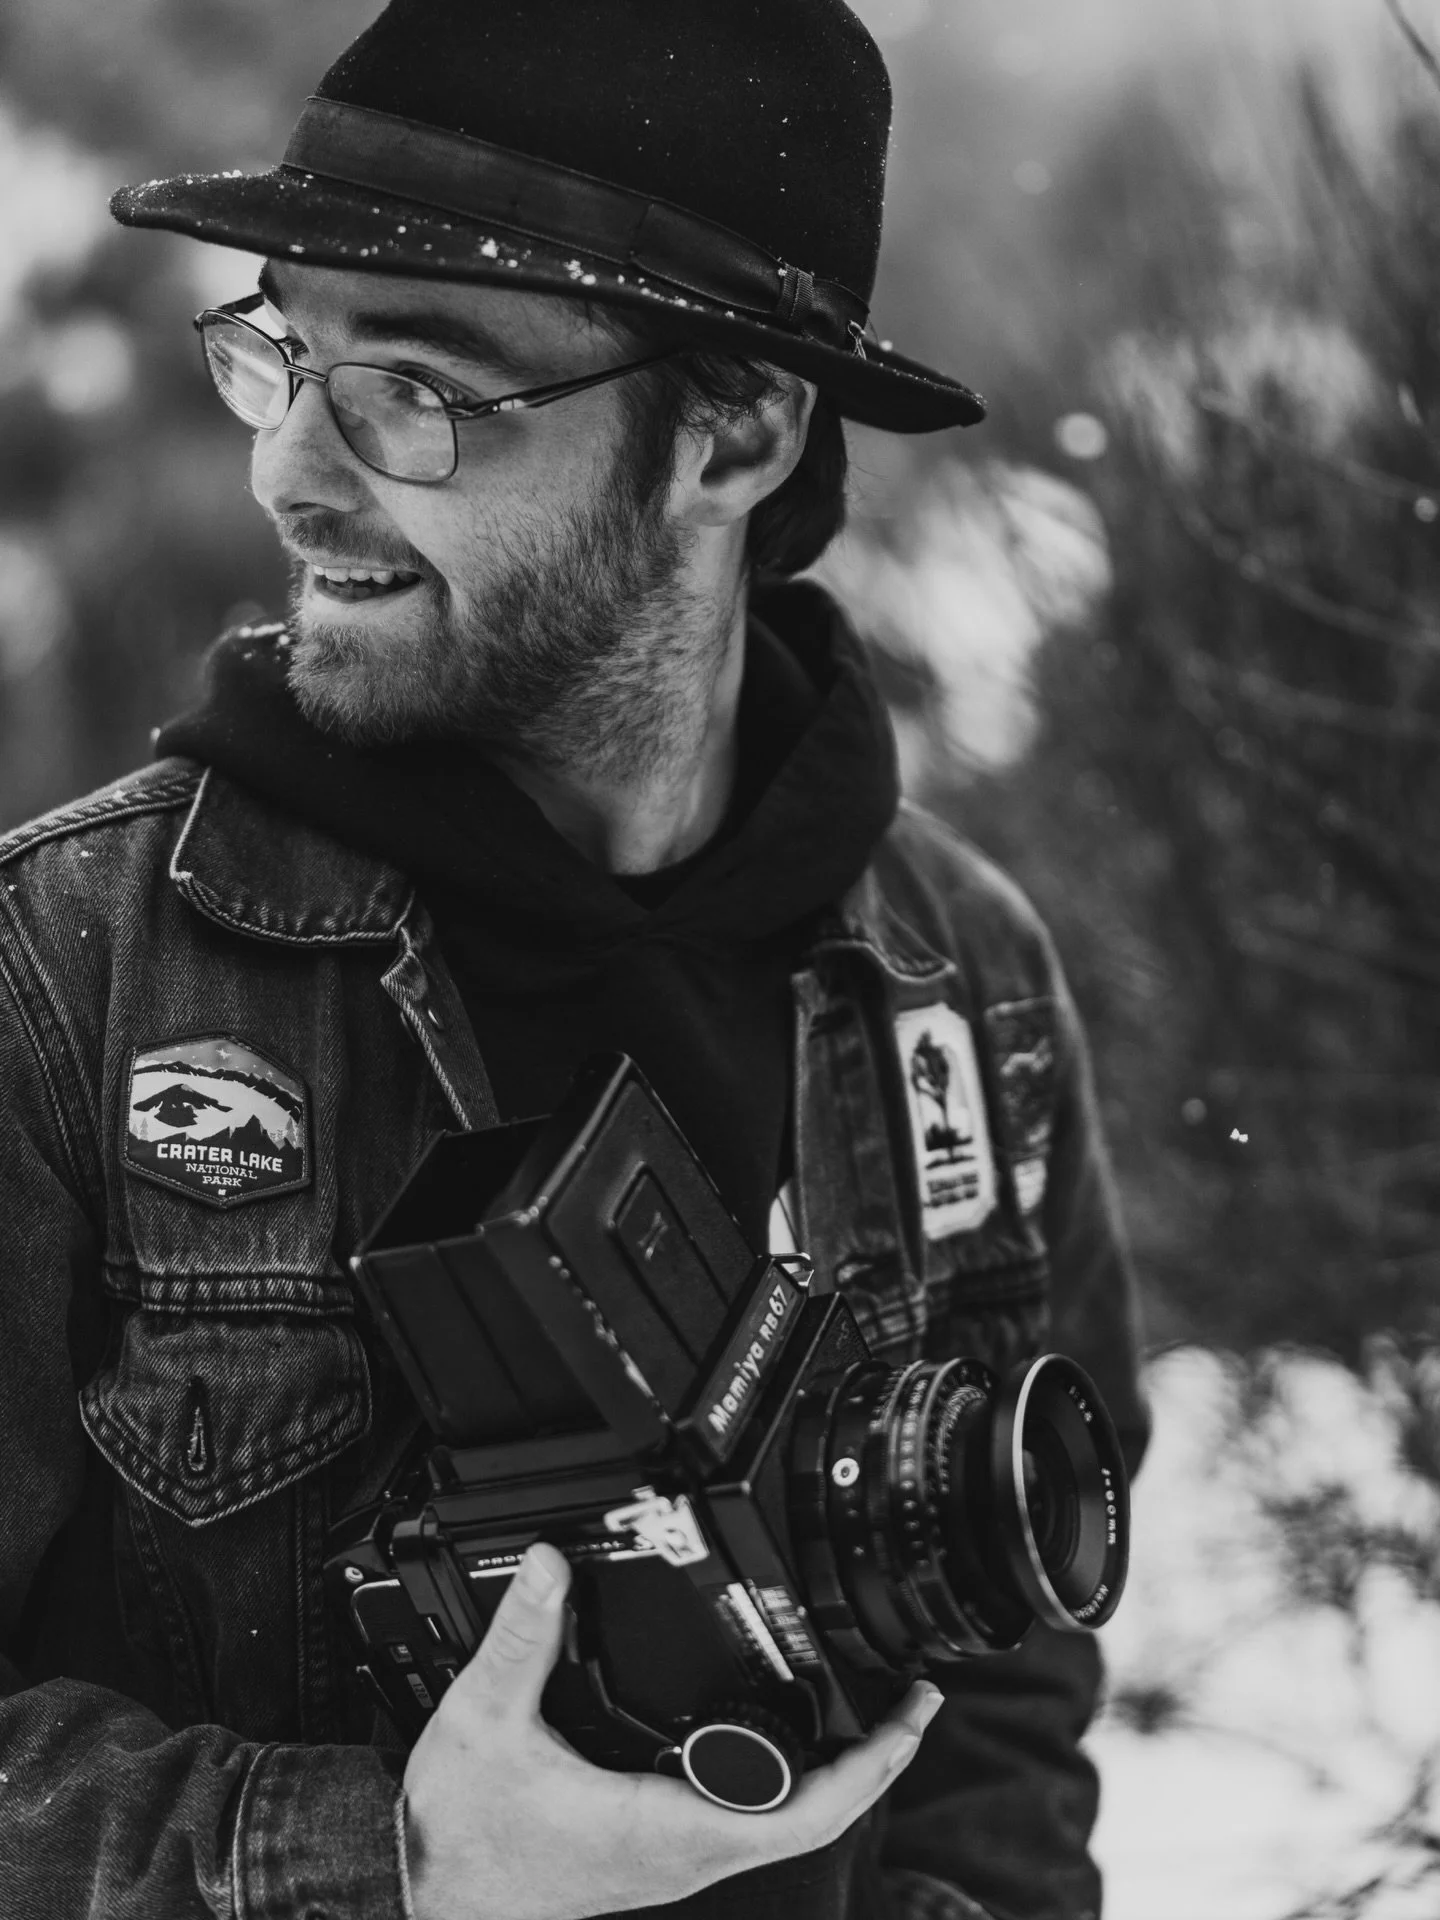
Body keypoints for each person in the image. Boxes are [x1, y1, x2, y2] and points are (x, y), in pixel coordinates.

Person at [0, 2, 1148, 1916]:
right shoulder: (65, 984)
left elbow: (1007, 1693)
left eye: (415, 389)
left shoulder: (969, 982)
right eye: (282, 349)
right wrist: (404, 1866)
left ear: (737, 428)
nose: (292, 469)